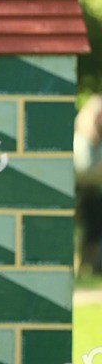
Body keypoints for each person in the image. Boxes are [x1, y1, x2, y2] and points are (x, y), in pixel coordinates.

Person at [75, 94, 102, 274]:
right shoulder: (82, 140)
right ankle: (84, 266)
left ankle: (91, 266)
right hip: (81, 193)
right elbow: (83, 170)